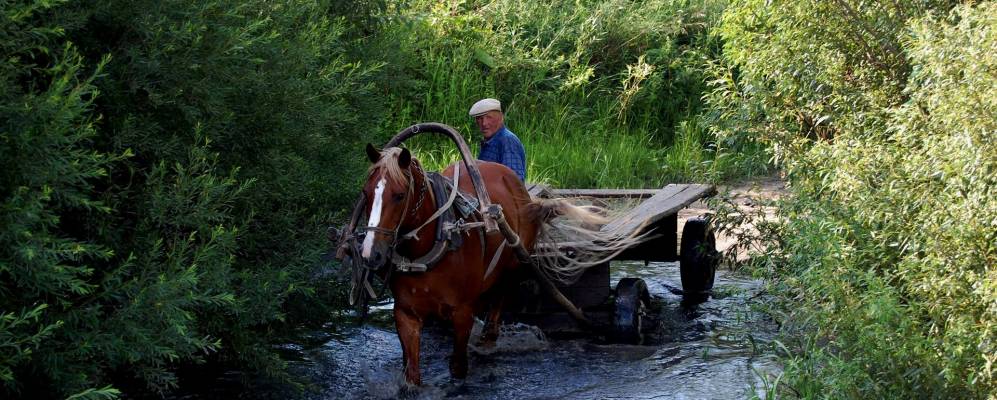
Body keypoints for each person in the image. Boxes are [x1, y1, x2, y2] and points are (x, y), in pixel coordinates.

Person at [468, 98, 527, 182]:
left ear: (501, 117)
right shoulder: (490, 140)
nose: (484, 123)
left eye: (489, 117)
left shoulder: (507, 140)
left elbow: (514, 182)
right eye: (480, 118)